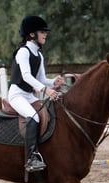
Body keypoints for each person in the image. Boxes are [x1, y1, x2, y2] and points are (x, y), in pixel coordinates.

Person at [8, 15, 65, 172]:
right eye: (42, 32)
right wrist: (46, 90)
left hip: (29, 95)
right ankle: (31, 158)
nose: (45, 34)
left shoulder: (39, 54)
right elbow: (26, 76)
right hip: (17, 94)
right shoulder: (23, 52)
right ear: (32, 34)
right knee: (33, 116)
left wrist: (54, 82)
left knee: (48, 113)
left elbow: (41, 78)